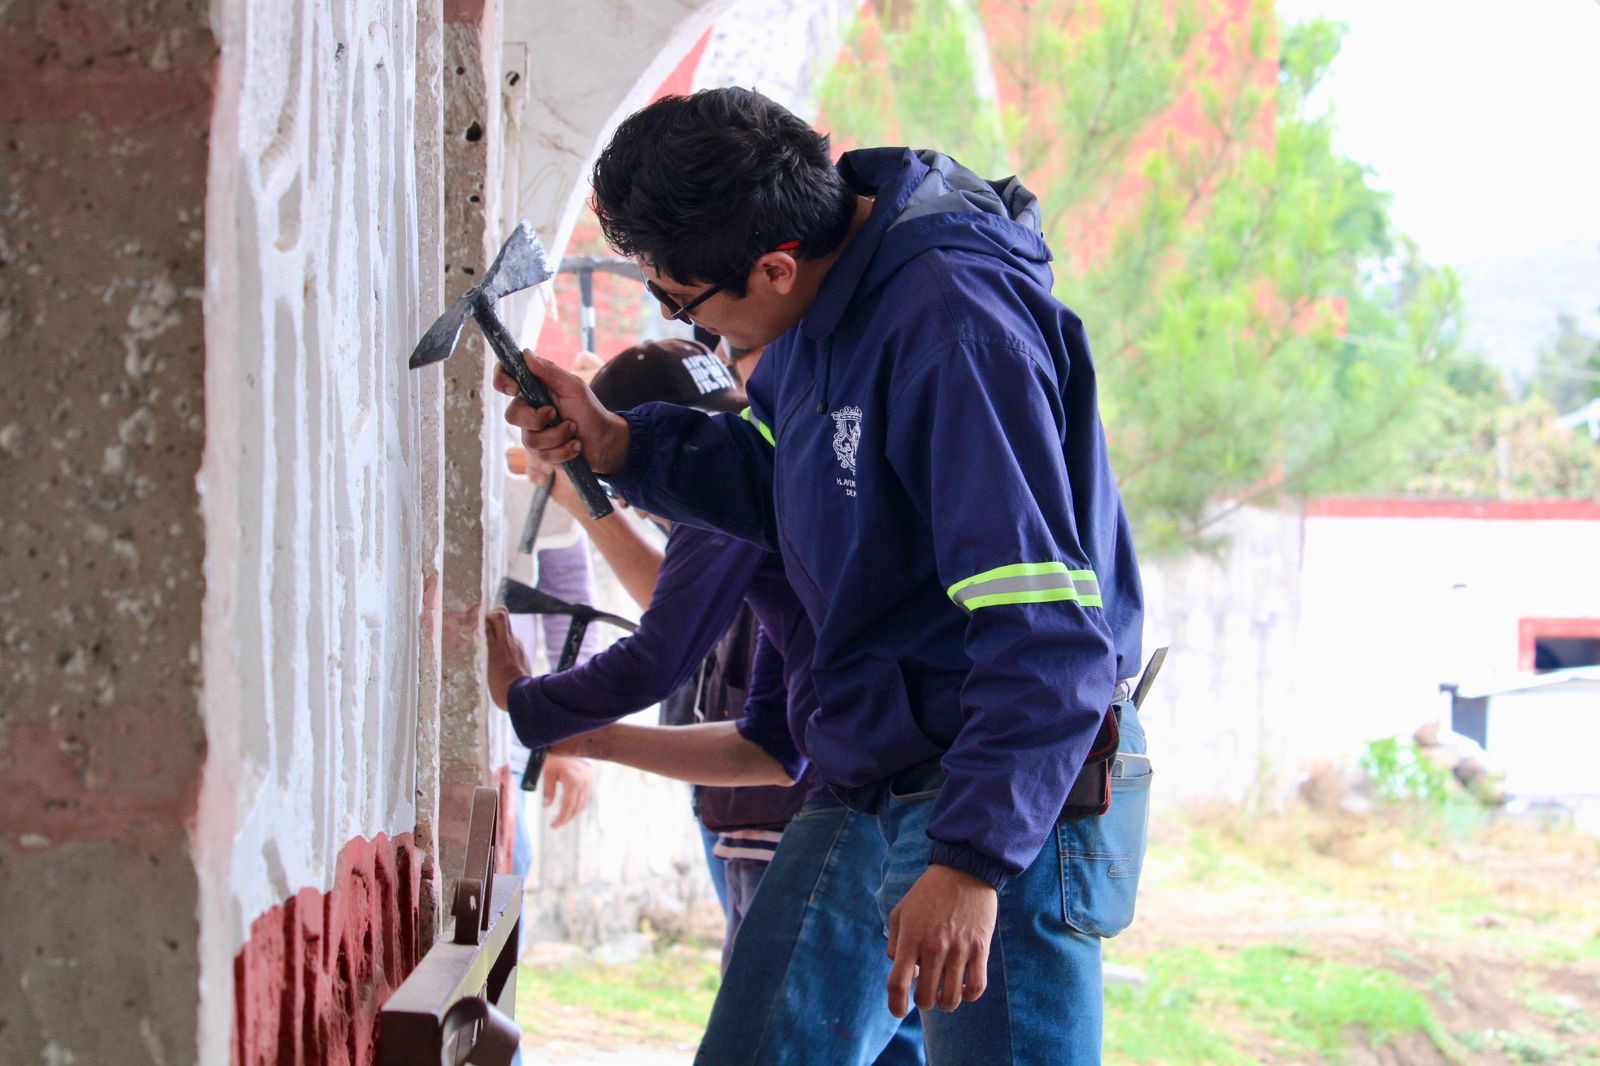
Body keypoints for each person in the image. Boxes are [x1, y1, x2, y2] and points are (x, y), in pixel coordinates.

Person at [499, 87, 1149, 1065]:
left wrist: (973, 861)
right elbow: (786, 485)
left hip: (1000, 774)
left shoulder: (952, 327)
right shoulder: (820, 313)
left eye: (678, 301)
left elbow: (1043, 623)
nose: (680, 320)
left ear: (772, 265)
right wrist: (621, 441)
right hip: (875, 767)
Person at [485, 338, 923, 1065]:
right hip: (872, 788)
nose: (635, 505)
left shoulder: (718, 477)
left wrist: (525, 701)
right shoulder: (777, 490)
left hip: (869, 797)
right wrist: (580, 737)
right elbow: (771, 747)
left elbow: (659, 658)